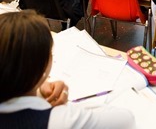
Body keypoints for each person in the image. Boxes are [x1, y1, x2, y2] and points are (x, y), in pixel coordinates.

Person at [0, 10, 136, 128]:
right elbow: (126, 119)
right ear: (41, 66)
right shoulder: (59, 120)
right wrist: (66, 108)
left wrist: (38, 89)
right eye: (51, 54)